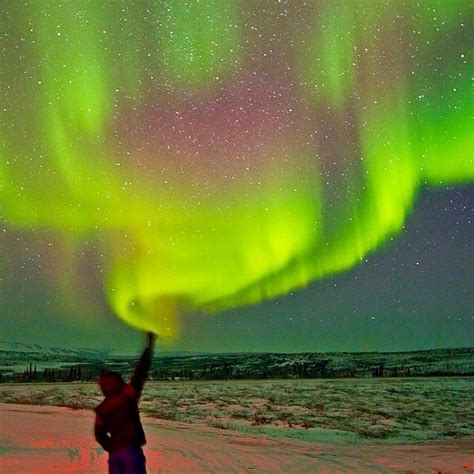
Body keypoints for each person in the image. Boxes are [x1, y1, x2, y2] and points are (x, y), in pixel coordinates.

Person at [94, 331, 156, 474]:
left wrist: (112, 447)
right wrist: (149, 346)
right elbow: (140, 372)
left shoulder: (103, 408)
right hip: (131, 452)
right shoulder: (128, 395)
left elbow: (99, 434)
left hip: (115, 455)